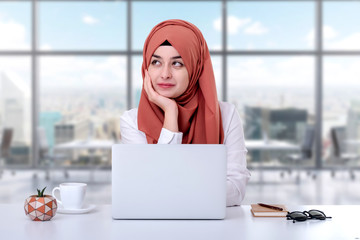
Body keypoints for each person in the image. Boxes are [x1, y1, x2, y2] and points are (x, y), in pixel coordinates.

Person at [120, 19, 250, 206]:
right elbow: (149, 193)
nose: (165, 74)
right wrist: (171, 113)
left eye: (178, 64)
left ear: (195, 68)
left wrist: (171, 189)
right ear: (146, 68)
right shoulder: (132, 121)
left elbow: (236, 191)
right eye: (156, 62)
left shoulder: (226, 114)